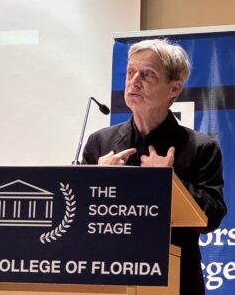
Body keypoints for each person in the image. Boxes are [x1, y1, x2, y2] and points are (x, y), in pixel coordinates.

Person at [82, 38, 227, 295]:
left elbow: (212, 216)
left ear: (174, 89)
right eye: (130, 72)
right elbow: (77, 217)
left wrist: (168, 183)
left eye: (147, 74)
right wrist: (96, 183)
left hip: (174, 280)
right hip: (108, 277)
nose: (133, 81)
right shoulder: (100, 143)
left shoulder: (201, 147)